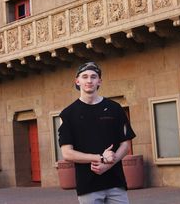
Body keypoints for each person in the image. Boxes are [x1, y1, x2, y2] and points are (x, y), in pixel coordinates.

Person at [58, 62, 136, 204]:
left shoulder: (115, 108)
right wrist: (100, 157)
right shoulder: (68, 114)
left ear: (99, 81)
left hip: (116, 183)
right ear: (77, 81)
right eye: (85, 76)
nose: (89, 80)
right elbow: (67, 153)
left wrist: (108, 164)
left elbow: (126, 144)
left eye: (94, 77)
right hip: (88, 186)